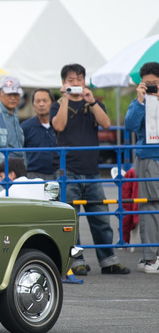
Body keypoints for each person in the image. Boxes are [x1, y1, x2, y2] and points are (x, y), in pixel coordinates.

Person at [51, 63, 129, 275]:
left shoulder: (94, 104)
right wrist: (66, 97)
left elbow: (105, 124)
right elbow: (58, 126)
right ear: (63, 83)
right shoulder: (58, 105)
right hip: (68, 172)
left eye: (78, 79)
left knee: (101, 218)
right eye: (70, 80)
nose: (75, 83)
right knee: (71, 221)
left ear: (85, 81)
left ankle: (109, 261)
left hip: (92, 171)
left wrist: (91, 100)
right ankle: (75, 262)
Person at [124, 61, 159, 274]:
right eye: (148, 84)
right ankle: (149, 257)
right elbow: (129, 125)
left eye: (156, 83)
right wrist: (140, 99)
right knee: (151, 206)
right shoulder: (140, 101)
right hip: (148, 157)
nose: (153, 88)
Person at [21, 88, 58, 180]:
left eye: (45, 101)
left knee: (55, 195)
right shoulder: (25, 126)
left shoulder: (60, 125)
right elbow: (17, 151)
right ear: (33, 105)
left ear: (52, 103)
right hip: (33, 175)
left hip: (57, 174)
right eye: (38, 101)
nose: (41, 104)